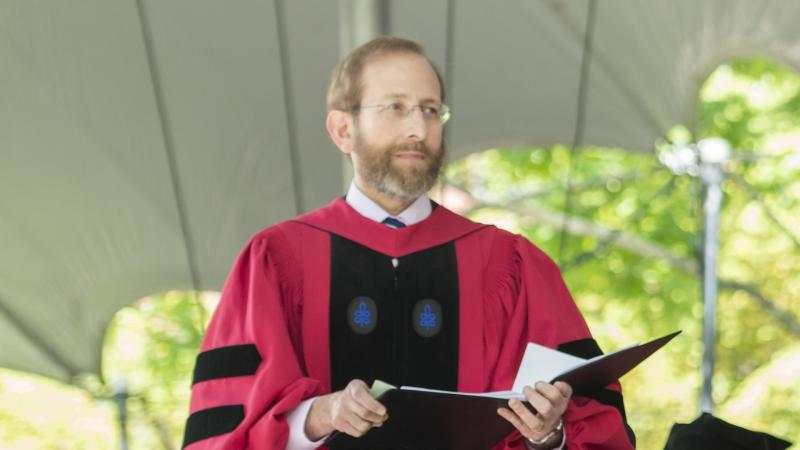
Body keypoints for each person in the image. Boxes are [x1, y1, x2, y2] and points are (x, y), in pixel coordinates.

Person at [181, 36, 635, 450]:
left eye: (431, 109)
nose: (418, 128)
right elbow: (224, 426)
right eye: (395, 107)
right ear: (343, 130)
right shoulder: (276, 260)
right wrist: (319, 416)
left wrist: (549, 434)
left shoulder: (509, 264)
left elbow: (596, 422)